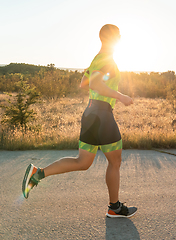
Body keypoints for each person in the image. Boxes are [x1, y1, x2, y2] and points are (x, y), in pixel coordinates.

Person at [22, 24, 137, 218]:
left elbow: (83, 83)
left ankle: (38, 174)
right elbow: (94, 84)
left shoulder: (97, 59)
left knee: (82, 162)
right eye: (118, 35)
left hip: (91, 113)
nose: (120, 37)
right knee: (115, 162)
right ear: (113, 38)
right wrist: (121, 96)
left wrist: (90, 72)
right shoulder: (106, 58)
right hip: (102, 115)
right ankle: (114, 207)